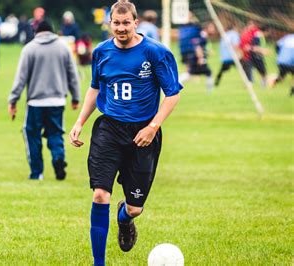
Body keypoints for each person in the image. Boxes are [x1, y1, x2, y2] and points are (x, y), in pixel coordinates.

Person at [68, 0, 182, 264]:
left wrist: (153, 127)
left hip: (143, 133)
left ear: (135, 23)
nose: (121, 28)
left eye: (126, 23)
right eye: (116, 23)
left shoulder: (156, 52)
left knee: (135, 207)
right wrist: (79, 122)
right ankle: (99, 263)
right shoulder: (101, 52)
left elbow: (172, 94)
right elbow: (95, 89)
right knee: (100, 194)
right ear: (110, 23)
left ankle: (125, 218)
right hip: (109, 128)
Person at [8, 20, 80, 180]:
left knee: (32, 135)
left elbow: (21, 78)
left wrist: (13, 100)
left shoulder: (30, 48)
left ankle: (36, 172)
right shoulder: (63, 47)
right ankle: (58, 157)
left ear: (36, 32)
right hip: (57, 101)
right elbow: (73, 74)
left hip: (36, 102)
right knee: (55, 133)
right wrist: (75, 97)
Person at [178, 12, 213, 92]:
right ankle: (175, 84)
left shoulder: (183, 28)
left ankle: (210, 92)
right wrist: (200, 57)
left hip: (184, 52)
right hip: (193, 53)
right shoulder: (196, 29)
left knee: (191, 72)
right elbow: (197, 43)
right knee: (202, 72)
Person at [240, 21, 268, 87]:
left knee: (262, 72)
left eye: (253, 26)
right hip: (251, 56)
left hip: (255, 56)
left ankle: (262, 85)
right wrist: (262, 50)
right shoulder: (255, 35)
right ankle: (249, 83)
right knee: (249, 71)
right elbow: (251, 47)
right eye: (250, 26)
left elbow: (252, 46)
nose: (251, 28)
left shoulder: (255, 34)